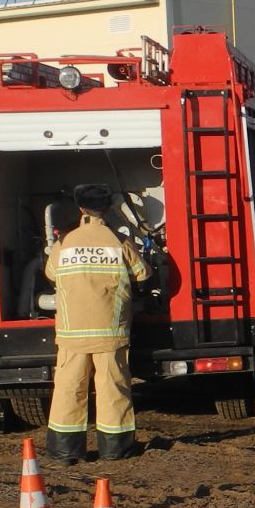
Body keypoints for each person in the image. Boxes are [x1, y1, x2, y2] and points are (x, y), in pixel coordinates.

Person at [43, 184, 150, 464]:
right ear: (107, 208)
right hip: (109, 334)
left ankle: (65, 451)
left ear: (81, 209)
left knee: (69, 389)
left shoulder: (64, 243)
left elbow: (51, 274)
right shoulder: (118, 242)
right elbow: (143, 274)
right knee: (112, 389)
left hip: (71, 335)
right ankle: (116, 449)